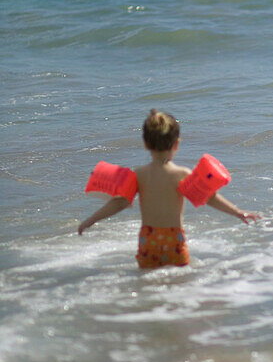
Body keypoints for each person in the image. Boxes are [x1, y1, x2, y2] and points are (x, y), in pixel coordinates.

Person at [78, 110, 260, 268]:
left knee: (148, 284)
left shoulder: (139, 174)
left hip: (148, 239)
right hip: (174, 239)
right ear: (176, 144)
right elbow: (209, 197)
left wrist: (91, 220)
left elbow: (120, 203)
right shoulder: (181, 174)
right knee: (178, 285)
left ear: (146, 144)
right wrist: (238, 212)